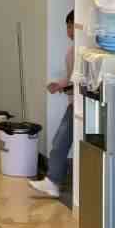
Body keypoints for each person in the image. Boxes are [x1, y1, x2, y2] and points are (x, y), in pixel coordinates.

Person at [30, 10, 75, 198]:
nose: (69, 31)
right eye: (68, 27)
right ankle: (54, 180)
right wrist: (60, 85)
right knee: (60, 141)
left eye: (71, 26)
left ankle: (53, 181)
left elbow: (80, 81)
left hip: (79, 106)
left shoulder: (81, 51)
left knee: (60, 141)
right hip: (74, 103)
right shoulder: (72, 51)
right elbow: (73, 78)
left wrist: (67, 87)